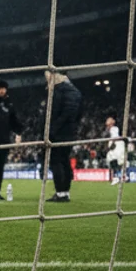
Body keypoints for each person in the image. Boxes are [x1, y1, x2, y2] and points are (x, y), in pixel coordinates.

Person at [44, 70, 83, 203]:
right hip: (70, 132)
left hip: (57, 133)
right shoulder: (76, 92)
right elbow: (79, 114)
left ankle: (60, 192)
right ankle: (65, 192)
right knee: (65, 161)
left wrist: (51, 130)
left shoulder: (58, 91)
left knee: (56, 161)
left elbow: (54, 113)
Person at [105, 116, 126, 185]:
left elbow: (115, 137)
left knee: (113, 160)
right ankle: (122, 176)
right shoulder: (111, 129)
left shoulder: (113, 129)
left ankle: (117, 177)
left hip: (117, 146)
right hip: (117, 145)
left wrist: (112, 145)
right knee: (115, 161)